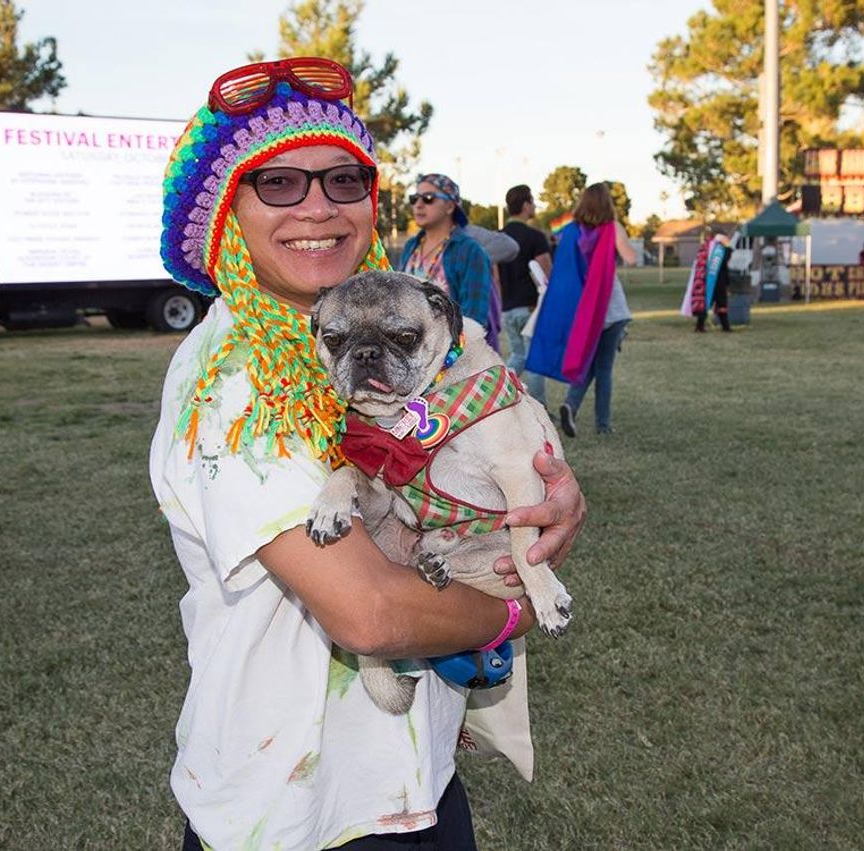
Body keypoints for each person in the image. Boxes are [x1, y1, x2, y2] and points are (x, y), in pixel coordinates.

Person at [152, 58, 587, 851]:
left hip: (402, 774)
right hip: (295, 816)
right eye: (278, 182)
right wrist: (512, 607)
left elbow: (497, 432)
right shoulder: (241, 381)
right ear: (225, 211)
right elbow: (373, 613)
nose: (318, 205)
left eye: (344, 180)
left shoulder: (362, 320)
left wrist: (549, 495)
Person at [525, 182, 635, 437]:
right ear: (607, 203)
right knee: (603, 368)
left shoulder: (571, 231)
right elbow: (631, 258)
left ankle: (570, 405)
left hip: (583, 310)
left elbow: (561, 256)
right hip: (610, 307)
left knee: (591, 363)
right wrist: (618, 237)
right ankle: (602, 425)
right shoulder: (612, 228)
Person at [398, 174, 501, 350]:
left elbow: (474, 320)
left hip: (453, 356)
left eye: (428, 198)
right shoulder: (411, 246)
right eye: (414, 199)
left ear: (450, 206)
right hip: (411, 355)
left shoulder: (469, 251)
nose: (419, 205)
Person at [498, 184, 552, 404]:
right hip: (531, 307)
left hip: (507, 307)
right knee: (534, 360)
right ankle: (541, 408)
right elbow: (547, 272)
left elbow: (495, 278)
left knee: (518, 355)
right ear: (526, 204)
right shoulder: (535, 237)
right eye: (532, 202)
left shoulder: (498, 238)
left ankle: (499, 395)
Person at [684, 231, 733, 332]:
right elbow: (725, 259)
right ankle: (725, 327)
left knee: (707, 302)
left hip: (707, 280)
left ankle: (700, 326)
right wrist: (728, 246)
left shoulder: (707, 248)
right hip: (718, 281)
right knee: (721, 304)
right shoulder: (720, 250)